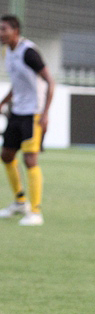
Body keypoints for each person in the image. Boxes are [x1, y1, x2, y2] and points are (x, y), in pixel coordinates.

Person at [0, 14, 55, 226]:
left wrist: (46, 113)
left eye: (4, 29)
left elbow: (50, 81)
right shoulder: (7, 52)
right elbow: (18, 85)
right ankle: (20, 202)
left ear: (15, 31)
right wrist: (3, 102)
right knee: (6, 155)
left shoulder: (28, 52)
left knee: (30, 159)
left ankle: (35, 212)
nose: (0, 33)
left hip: (34, 113)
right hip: (17, 111)